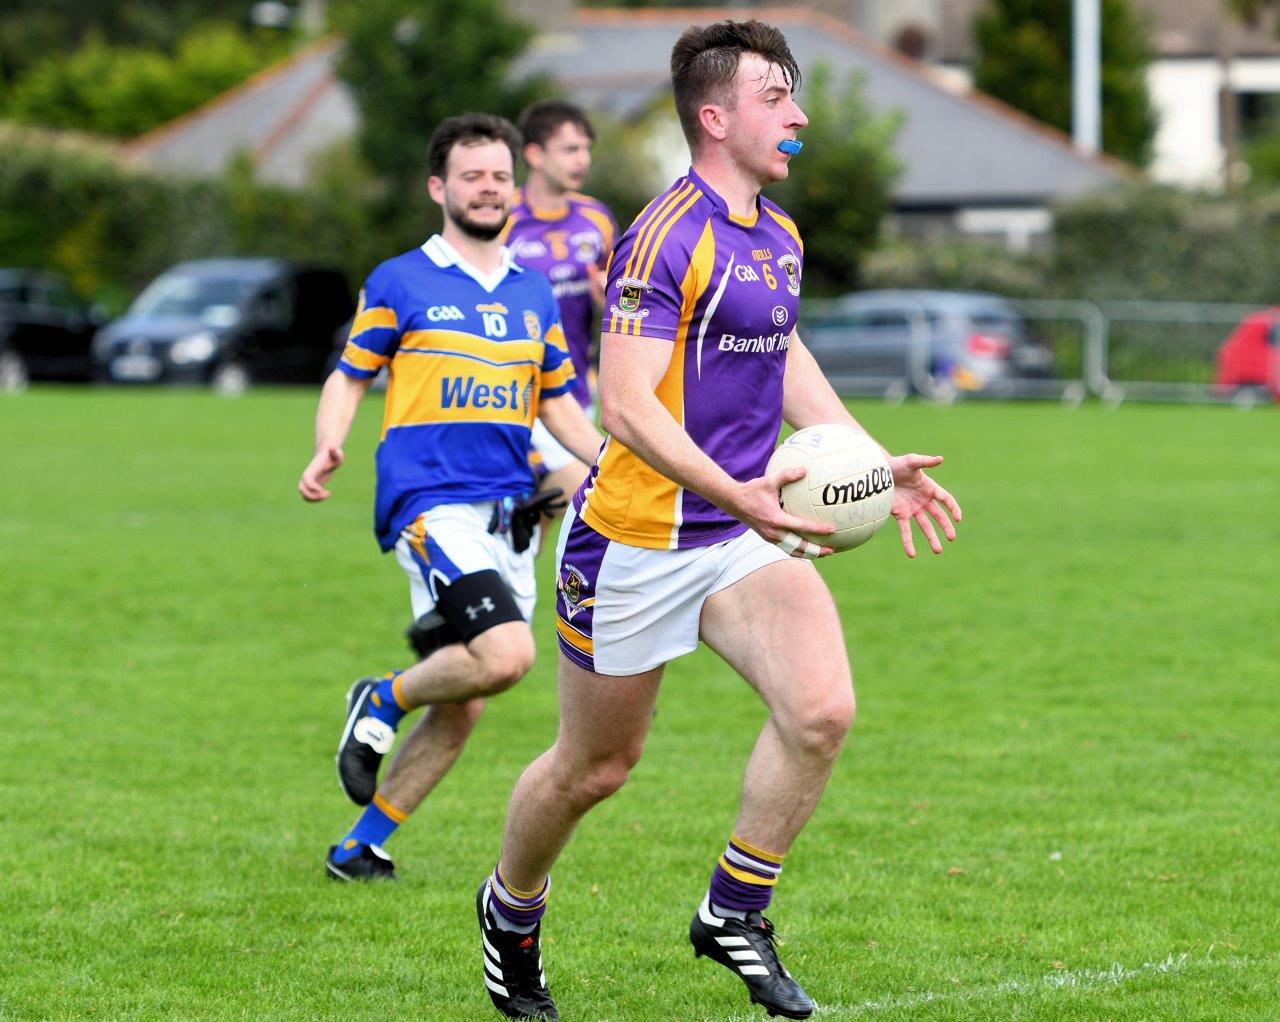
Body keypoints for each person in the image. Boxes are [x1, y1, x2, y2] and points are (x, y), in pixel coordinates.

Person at [475, 20, 962, 1021]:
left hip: (736, 535)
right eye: (776, 96)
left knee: (819, 709)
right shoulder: (663, 232)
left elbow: (782, 360)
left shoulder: (775, 234)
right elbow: (625, 406)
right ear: (714, 116)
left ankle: (733, 910)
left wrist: (872, 463)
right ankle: (510, 909)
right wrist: (735, 490)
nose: (799, 114)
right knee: (593, 767)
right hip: (633, 541)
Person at [297, 113, 602, 882]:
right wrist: (329, 440)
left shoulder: (534, 293)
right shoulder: (401, 279)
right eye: (472, 175)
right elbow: (349, 374)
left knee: (464, 699)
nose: (490, 187)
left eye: (499, 175)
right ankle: (382, 696)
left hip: (511, 516)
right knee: (506, 656)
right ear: (440, 188)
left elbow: (559, 407)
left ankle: (359, 846)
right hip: (431, 504)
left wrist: (616, 466)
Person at [502, 100, 618, 511]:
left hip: (573, 394)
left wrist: (609, 301)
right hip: (514, 395)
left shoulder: (597, 219)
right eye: (570, 149)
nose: (582, 159)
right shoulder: (501, 218)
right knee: (593, 498)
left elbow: (619, 304)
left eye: (586, 148)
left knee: (538, 522)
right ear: (534, 154)